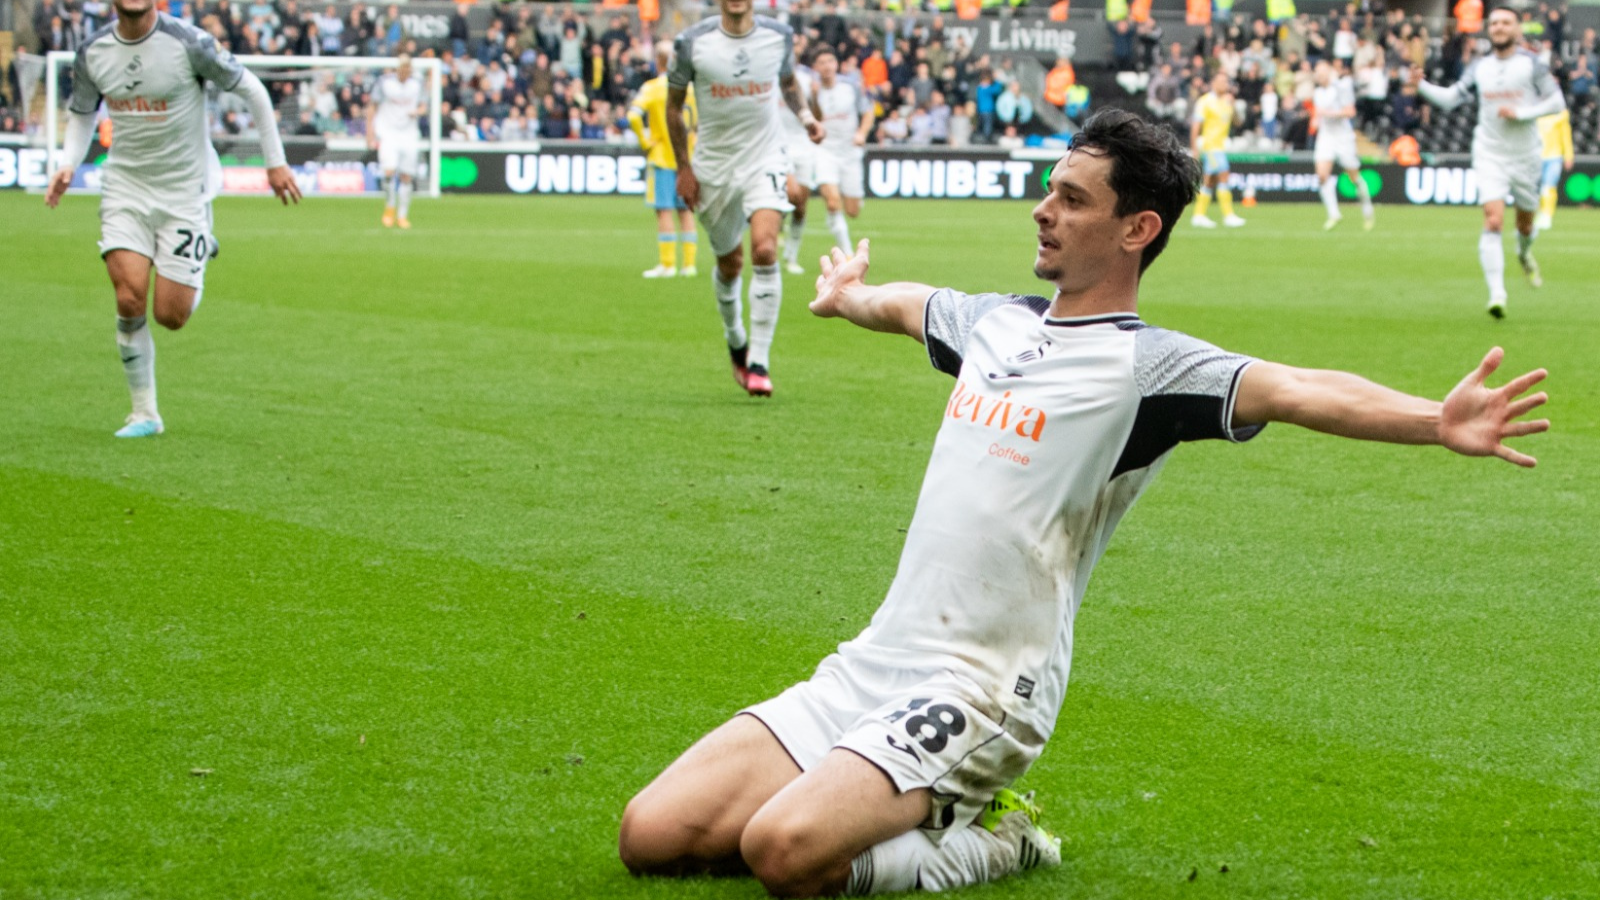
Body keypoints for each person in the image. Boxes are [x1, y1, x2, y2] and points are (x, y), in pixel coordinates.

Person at [617, 109, 1550, 898]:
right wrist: (848, 296)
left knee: (782, 855)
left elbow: (1298, 387)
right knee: (651, 836)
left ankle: (994, 837)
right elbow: (911, 305)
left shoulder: (1147, 368)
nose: (1044, 209)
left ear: (1137, 229)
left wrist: (1436, 420)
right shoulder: (996, 323)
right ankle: (881, 794)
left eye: (1072, 199)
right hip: (879, 659)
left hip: (983, 690)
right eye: (1050, 190)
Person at [44, 0, 300, 439]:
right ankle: (144, 413)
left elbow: (254, 89)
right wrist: (69, 161)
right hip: (125, 187)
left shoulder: (190, 43)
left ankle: (201, 249)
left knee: (170, 314)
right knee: (128, 298)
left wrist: (275, 163)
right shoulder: (92, 51)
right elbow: (83, 112)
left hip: (184, 192)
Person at [666, 0, 825, 398]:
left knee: (765, 249)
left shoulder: (778, 36)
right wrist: (683, 167)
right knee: (730, 263)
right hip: (714, 167)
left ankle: (759, 360)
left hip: (765, 157)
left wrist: (806, 120)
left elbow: (788, 83)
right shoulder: (691, 43)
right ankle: (735, 339)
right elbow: (673, 106)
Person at [1415, 6, 1565, 319]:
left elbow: (1556, 102)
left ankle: (1524, 255)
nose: (1498, 27)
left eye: (1505, 22)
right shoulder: (1479, 66)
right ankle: (1497, 293)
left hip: (1525, 156)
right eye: (1494, 22)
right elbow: (1453, 97)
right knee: (1493, 219)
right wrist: (1422, 86)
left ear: (1516, 28)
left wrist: (1521, 113)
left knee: (1525, 223)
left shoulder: (1532, 64)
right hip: (1489, 152)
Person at [628, 40, 699, 279]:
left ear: (657, 60)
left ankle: (668, 265)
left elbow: (633, 116)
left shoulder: (651, 88)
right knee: (686, 211)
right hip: (688, 159)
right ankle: (689, 265)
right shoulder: (692, 89)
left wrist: (645, 141)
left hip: (661, 157)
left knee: (665, 211)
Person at [812, 45, 874, 254]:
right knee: (832, 202)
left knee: (853, 211)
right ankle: (847, 255)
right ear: (815, 67)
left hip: (849, 152)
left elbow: (868, 112)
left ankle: (847, 204)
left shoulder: (850, 86)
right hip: (824, 151)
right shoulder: (812, 90)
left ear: (837, 64)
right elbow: (813, 119)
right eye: (822, 62)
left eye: (830, 61)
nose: (827, 66)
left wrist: (862, 134)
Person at [1310, 59, 1375, 231]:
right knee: (1322, 175)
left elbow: (1350, 111)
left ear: (1329, 72)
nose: (1319, 76)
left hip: (1343, 136)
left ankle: (1367, 209)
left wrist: (1329, 114)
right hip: (1326, 136)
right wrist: (1316, 121)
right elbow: (1318, 114)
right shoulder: (1317, 92)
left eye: (1322, 73)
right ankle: (1334, 214)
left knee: (1354, 177)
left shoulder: (1341, 88)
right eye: (1317, 73)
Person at [367, 53, 426, 229]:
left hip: (409, 134)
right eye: (403, 68)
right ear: (398, 68)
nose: (405, 72)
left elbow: (423, 105)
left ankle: (402, 215)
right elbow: (372, 106)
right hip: (388, 133)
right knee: (388, 172)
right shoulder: (385, 82)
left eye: (408, 68)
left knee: (406, 176)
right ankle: (390, 206)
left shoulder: (417, 83)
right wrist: (369, 134)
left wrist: (418, 112)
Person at [781, 45, 822, 275]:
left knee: (801, 205)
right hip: (779, 144)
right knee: (792, 193)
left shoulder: (807, 80)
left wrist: (815, 95)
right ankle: (775, 224)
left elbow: (818, 117)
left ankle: (791, 255)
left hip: (803, 145)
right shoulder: (770, 79)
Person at [1190, 71, 1246, 228]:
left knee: (1209, 181)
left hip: (1220, 145)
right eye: (1222, 81)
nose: (1225, 85)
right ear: (1213, 83)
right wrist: (1194, 148)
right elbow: (1196, 126)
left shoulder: (1227, 101)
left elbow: (1238, 122)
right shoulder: (1205, 101)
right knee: (1224, 176)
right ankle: (1228, 215)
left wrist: (1233, 106)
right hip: (1210, 145)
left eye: (1226, 82)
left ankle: (1199, 215)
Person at [1534, 107, 1572, 231]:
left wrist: (1568, 155)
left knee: (1549, 186)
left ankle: (1547, 215)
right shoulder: (1535, 111)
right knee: (1538, 188)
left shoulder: (1560, 114)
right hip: (1536, 156)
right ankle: (1540, 212)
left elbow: (1566, 136)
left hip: (1554, 156)